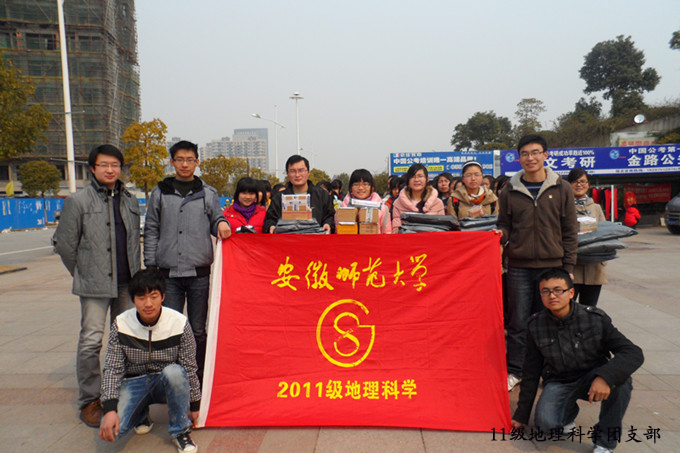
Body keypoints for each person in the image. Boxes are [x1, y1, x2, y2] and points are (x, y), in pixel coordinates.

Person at [53, 144, 140, 428]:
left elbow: (133, 242)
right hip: (94, 286)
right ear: (92, 168)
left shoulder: (130, 200)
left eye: (115, 165)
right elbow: (65, 245)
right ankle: (90, 400)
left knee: (125, 340)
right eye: (103, 164)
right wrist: (83, 273)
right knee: (91, 341)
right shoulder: (78, 201)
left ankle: (122, 394)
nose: (109, 170)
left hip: (127, 283)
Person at [512, 268, 643, 453]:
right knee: (547, 426)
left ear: (571, 292)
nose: (552, 296)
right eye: (545, 291)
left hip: (593, 376)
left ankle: (605, 442)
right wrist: (521, 415)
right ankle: (567, 415)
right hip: (560, 380)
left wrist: (605, 377)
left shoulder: (594, 319)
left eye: (558, 290)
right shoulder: (536, 325)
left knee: (621, 382)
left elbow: (633, 352)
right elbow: (531, 371)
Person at [144, 140, 231, 383]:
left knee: (198, 329)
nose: (185, 164)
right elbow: (151, 229)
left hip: (198, 273)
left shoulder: (208, 193)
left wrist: (222, 223)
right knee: (169, 328)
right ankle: (172, 378)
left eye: (189, 160)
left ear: (197, 162)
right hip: (168, 273)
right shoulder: (161, 192)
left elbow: (216, 219)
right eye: (180, 159)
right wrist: (150, 266)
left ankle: (199, 378)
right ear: (172, 162)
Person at [496, 134, 578, 392]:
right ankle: (516, 371)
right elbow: (505, 225)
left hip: (552, 267)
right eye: (524, 154)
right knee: (518, 322)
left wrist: (568, 268)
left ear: (545, 155)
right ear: (518, 158)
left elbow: (570, 230)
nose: (530, 158)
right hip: (518, 267)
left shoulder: (562, 188)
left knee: (551, 319)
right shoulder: (510, 190)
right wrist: (499, 235)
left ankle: (550, 370)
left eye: (535, 152)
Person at [99, 268, 201, 453]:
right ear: (133, 300)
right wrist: (109, 409)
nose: (148, 304)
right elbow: (112, 369)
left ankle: (180, 431)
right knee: (114, 431)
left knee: (175, 372)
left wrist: (195, 405)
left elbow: (189, 367)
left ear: (163, 297)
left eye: (154, 297)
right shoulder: (121, 324)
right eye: (141, 298)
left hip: (164, 381)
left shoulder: (179, 322)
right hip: (134, 383)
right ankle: (140, 414)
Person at [264, 155, 336, 233]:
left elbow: (330, 217)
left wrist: (328, 224)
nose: (297, 175)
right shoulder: (279, 198)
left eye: (301, 170)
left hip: (315, 238)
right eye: (292, 171)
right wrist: (271, 226)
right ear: (288, 173)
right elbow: (270, 219)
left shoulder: (322, 195)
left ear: (308, 172)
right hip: (287, 239)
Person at [568, 168, 607, 306]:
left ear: (588, 184)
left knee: (589, 309)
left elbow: (605, 233)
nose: (579, 185)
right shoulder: (563, 206)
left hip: (593, 267)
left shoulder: (596, 208)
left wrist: (603, 260)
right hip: (572, 268)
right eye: (575, 181)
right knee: (567, 308)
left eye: (583, 181)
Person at [391, 163, 445, 231]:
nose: (416, 180)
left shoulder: (437, 203)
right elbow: (396, 229)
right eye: (413, 176)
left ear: (427, 179)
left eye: (420, 176)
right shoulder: (398, 203)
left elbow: (442, 229)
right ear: (408, 180)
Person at [338, 169, 392, 234]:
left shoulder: (382, 209)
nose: (360, 188)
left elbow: (387, 233)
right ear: (351, 187)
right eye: (356, 184)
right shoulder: (342, 208)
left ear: (372, 187)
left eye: (365, 184)